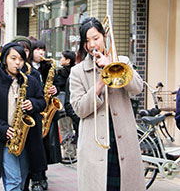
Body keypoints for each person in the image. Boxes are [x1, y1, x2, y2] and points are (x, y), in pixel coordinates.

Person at [69, 17, 145, 191]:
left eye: (96, 38)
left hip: (123, 140)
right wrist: (99, 83)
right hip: (95, 143)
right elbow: (79, 109)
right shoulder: (77, 72)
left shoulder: (122, 61)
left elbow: (138, 88)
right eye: (87, 41)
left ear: (104, 37)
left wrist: (112, 65)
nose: (92, 45)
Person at [0, 42, 46, 191]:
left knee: (22, 180)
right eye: (13, 58)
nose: (17, 63)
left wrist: (33, 104)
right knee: (14, 181)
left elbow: (42, 102)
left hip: (27, 139)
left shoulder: (32, 81)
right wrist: (3, 129)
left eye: (21, 59)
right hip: (4, 139)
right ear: (4, 60)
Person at [12, 36, 47, 191]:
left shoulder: (34, 74)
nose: (22, 52)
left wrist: (32, 103)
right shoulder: (4, 72)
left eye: (25, 49)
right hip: (11, 126)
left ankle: (33, 181)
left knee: (29, 161)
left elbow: (42, 101)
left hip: (30, 125)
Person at [29, 39, 62, 190]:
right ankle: (35, 176)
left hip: (47, 111)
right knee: (36, 146)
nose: (41, 53)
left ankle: (42, 173)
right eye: (37, 49)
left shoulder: (48, 67)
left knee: (46, 146)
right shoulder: (27, 68)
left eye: (42, 49)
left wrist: (55, 89)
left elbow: (57, 83)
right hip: (35, 110)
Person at [53, 50, 77, 161]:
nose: (61, 60)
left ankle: (69, 153)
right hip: (74, 104)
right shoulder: (76, 71)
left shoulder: (60, 73)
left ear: (68, 60)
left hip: (63, 104)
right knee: (73, 128)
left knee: (65, 128)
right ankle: (73, 151)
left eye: (62, 58)